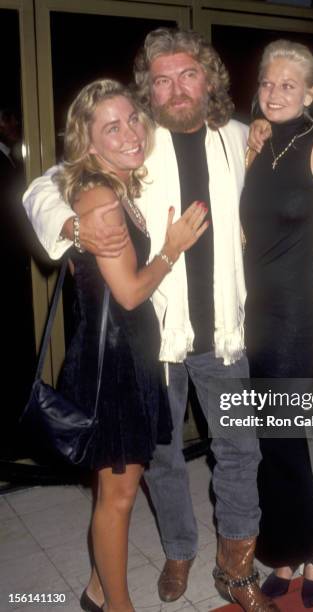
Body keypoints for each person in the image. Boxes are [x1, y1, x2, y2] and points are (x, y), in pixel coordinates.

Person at [23, 29, 278, 612]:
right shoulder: (138, 141)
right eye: (161, 79)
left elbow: (292, 150)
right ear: (149, 91)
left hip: (223, 336)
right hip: (156, 338)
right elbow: (45, 186)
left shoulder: (238, 138)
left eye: (187, 74)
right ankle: (180, 549)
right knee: (160, 456)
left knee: (240, 448)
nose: (176, 88)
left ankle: (235, 569)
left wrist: (270, 124)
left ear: (209, 77)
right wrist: (71, 226)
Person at [52, 79, 208, 612]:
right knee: (118, 500)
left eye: (132, 119)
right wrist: (172, 249)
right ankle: (118, 606)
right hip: (116, 363)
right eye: (110, 126)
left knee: (111, 492)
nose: (129, 132)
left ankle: (98, 590)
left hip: (127, 356)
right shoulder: (100, 198)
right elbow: (130, 290)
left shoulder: (116, 187)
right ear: (89, 142)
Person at [241, 40, 313, 608]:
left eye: (288, 84)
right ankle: (283, 546)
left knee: (283, 434)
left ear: (310, 92)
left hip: (299, 315)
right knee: (265, 437)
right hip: (252, 312)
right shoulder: (254, 146)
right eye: (266, 82)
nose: (275, 92)